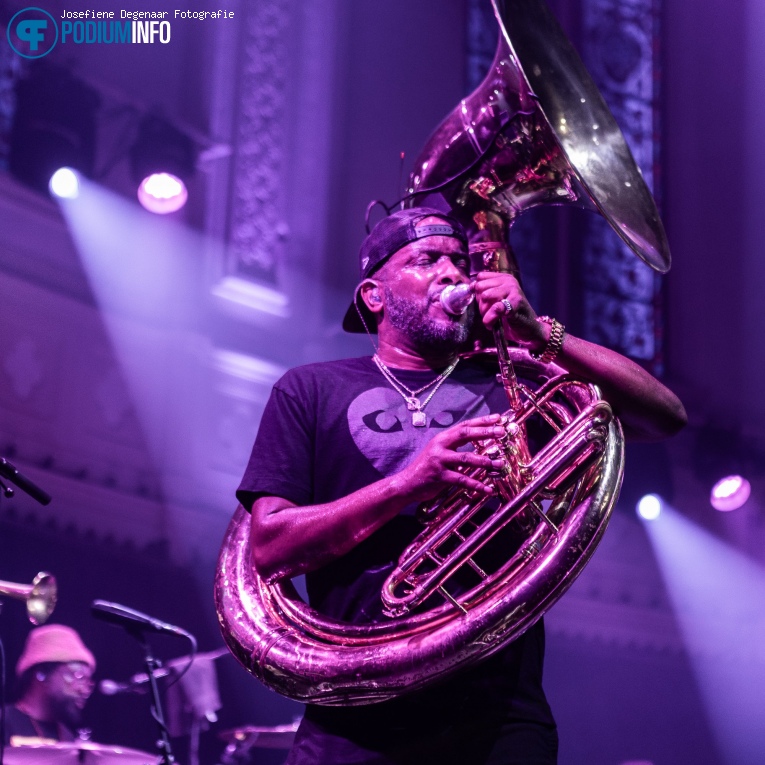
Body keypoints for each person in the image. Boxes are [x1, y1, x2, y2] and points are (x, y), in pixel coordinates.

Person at [237, 207, 687, 764]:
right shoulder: (311, 389)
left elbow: (663, 417)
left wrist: (539, 332)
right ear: (374, 296)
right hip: (355, 714)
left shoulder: (514, 381)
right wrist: (409, 485)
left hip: (498, 712)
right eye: (427, 260)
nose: (453, 274)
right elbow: (270, 547)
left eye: (459, 261)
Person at [3, 624, 96, 745]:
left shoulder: (68, 738)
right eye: (79, 677)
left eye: (88, 681)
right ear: (42, 673)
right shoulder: (4, 722)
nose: (84, 690)